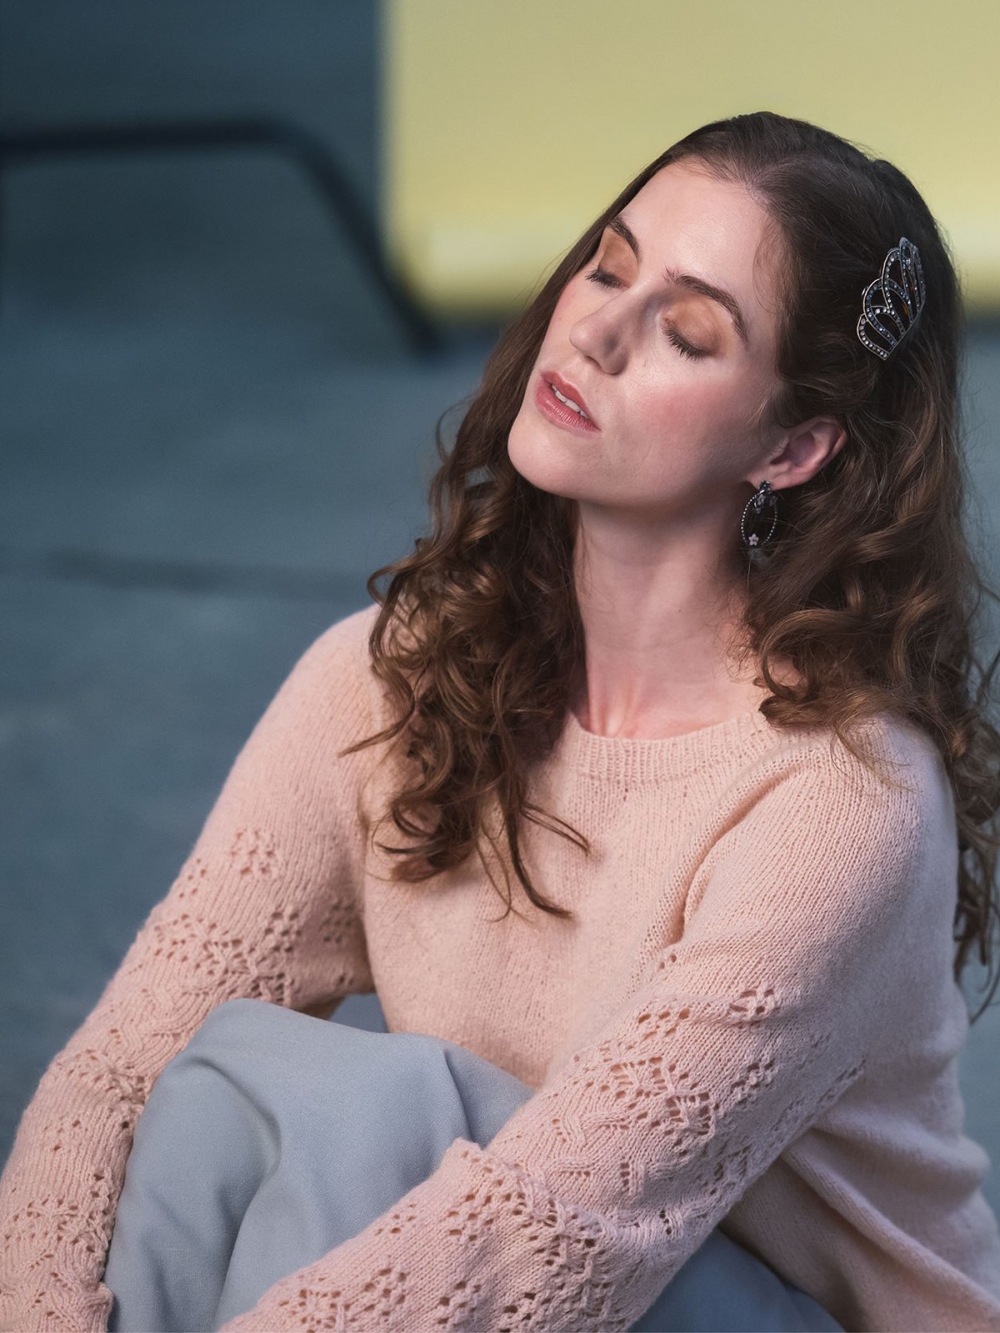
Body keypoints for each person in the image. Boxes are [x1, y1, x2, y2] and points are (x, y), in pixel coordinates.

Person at [3, 109, 1000, 1332]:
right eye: (608, 268)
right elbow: (120, 1066)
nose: (597, 333)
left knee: (364, 1117)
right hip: (526, 1272)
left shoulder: (838, 804)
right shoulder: (387, 680)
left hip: (718, 1299)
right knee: (224, 1090)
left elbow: (546, 1230)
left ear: (791, 448)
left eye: (685, 333)